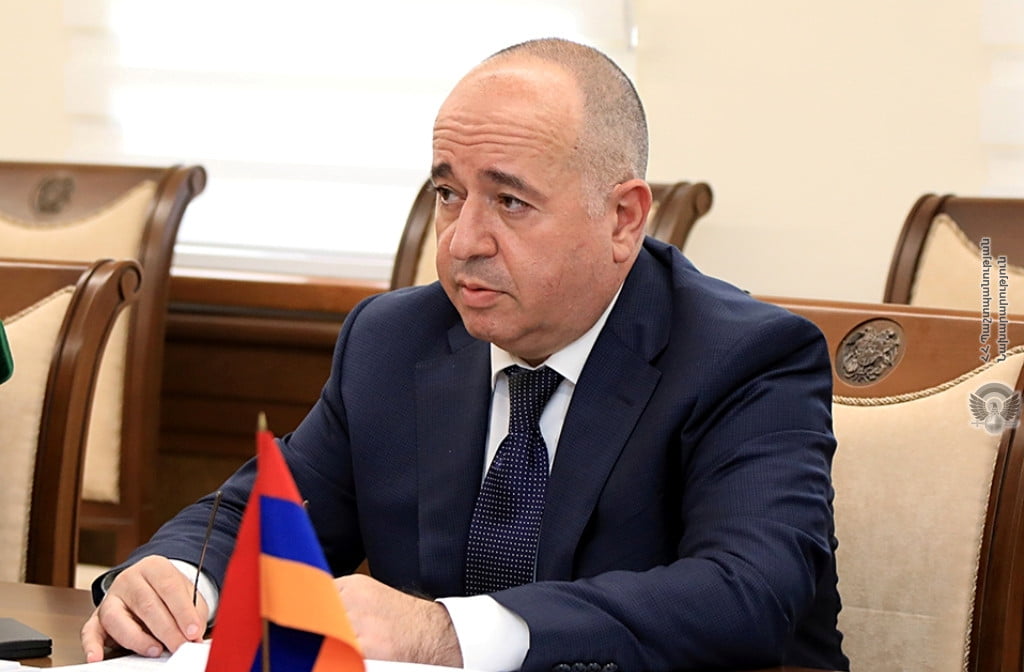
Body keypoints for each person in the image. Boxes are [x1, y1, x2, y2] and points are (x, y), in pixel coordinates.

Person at [81, 38, 848, 672]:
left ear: (622, 218)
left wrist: (445, 632)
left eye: (510, 201)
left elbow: (746, 597)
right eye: (449, 194)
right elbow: (271, 512)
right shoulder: (393, 339)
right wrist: (181, 578)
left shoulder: (743, 358)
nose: (460, 242)